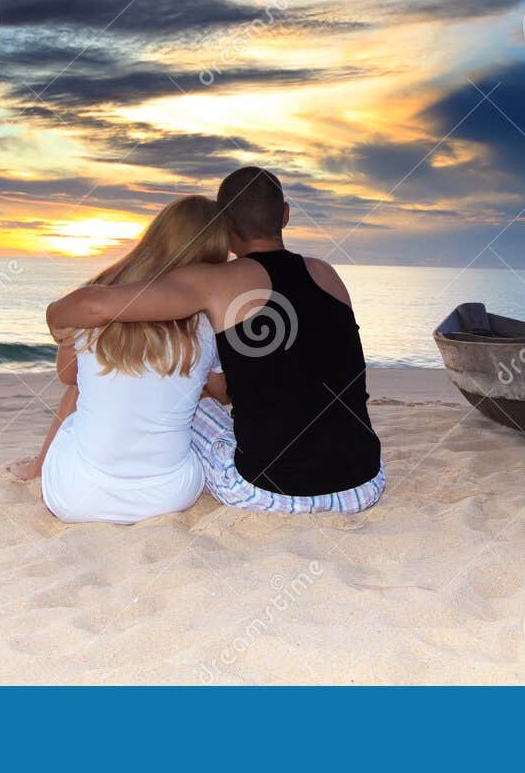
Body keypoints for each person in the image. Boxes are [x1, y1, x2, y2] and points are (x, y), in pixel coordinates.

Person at [46, 167, 383, 514]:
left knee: (192, 409)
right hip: (364, 483)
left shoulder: (216, 282)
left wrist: (54, 319)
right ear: (284, 214)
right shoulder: (327, 275)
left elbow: (93, 305)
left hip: (269, 493)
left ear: (223, 224)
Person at [14, 196, 231, 524]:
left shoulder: (98, 304)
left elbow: (66, 376)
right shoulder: (205, 321)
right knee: (186, 392)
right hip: (170, 497)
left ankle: (37, 467)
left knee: (81, 387)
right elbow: (223, 393)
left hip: (76, 498)